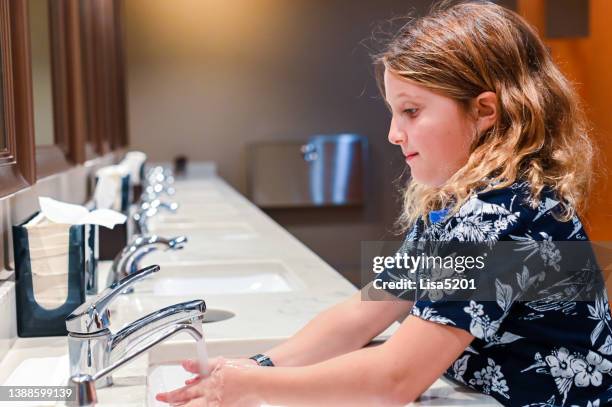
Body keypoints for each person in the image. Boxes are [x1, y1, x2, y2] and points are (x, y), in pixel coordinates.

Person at [156, 1, 612, 405]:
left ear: (484, 111)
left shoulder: (500, 215)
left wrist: (251, 387)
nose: (394, 134)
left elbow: (395, 378)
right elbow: (366, 310)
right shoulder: (461, 205)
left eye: (411, 111)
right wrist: (259, 366)